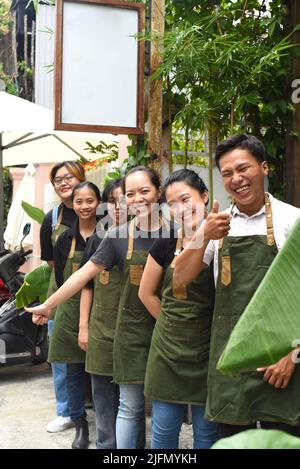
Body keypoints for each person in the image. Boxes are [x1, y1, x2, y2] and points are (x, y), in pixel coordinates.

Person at [26, 166, 167, 449]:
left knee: (166, 412)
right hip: (130, 333)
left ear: (158, 192)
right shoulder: (116, 237)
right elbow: (82, 276)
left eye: (144, 191)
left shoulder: (180, 233)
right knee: (130, 406)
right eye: (129, 194)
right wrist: (49, 304)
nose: (136, 199)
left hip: (168, 333)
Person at [173, 134, 300, 438]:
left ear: (264, 167)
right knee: (233, 441)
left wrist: (293, 355)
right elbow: (179, 279)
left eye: (244, 168)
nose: (236, 179)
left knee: (282, 440)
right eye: (227, 173)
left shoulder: (291, 219)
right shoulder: (218, 224)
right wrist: (204, 234)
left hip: (279, 362)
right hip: (231, 360)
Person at [139, 169, 219, 449]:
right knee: (163, 433)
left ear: (205, 196)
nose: (180, 209)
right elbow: (146, 293)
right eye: (172, 204)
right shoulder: (166, 241)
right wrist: (172, 325)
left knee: (207, 433)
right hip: (167, 352)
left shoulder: (222, 240)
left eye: (186, 199)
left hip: (209, 348)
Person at [46, 181, 101, 449]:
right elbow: (60, 277)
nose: (84, 206)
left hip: (102, 309)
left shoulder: (108, 234)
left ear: (99, 203)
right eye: (79, 201)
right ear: (73, 203)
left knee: (103, 372)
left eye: (90, 200)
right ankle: (80, 425)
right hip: (70, 312)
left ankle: (106, 425)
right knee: (73, 371)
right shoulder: (65, 239)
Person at [78, 178, 125, 449]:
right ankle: (107, 446)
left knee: (129, 396)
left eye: (123, 200)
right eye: (112, 202)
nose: (118, 207)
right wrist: (83, 327)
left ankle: (131, 445)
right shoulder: (99, 237)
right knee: (102, 394)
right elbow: (86, 285)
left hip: (130, 328)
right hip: (100, 327)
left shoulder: (145, 236)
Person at [40, 161, 85, 433]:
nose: (64, 182)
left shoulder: (99, 209)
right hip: (60, 291)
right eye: (58, 180)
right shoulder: (52, 217)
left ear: (82, 177)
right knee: (60, 355)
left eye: (69, 177)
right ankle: (65, 411)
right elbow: (52, 263)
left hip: (100, 291)